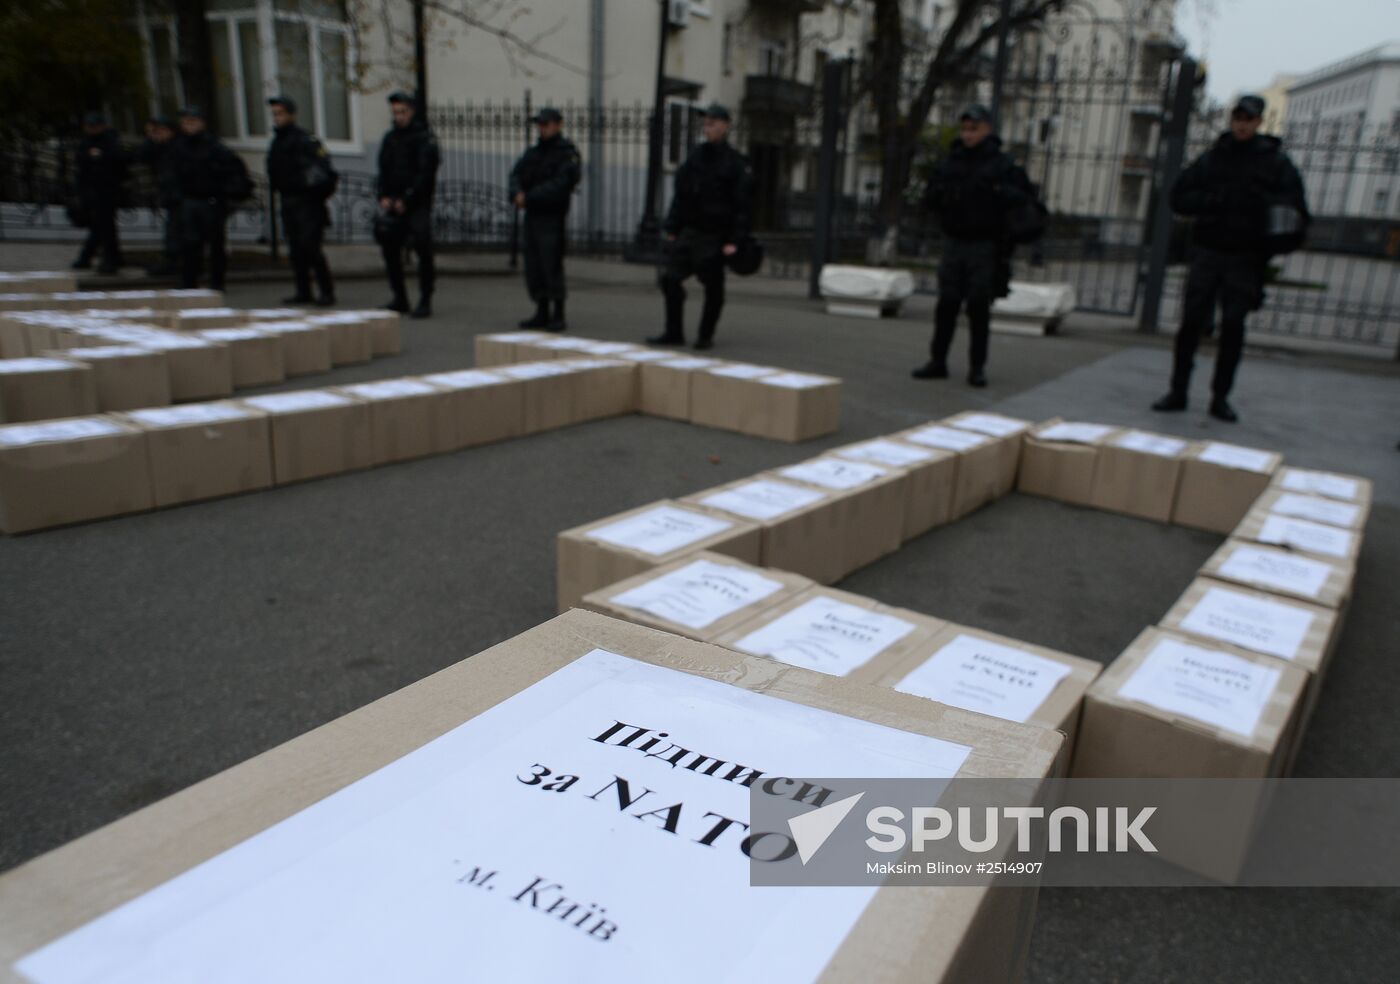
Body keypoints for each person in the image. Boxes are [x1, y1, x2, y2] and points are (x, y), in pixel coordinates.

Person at [1152, 94, 1308, 423]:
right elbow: (1180, 196)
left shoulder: (1274, 163)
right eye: (1237, 118)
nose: (1241, 125)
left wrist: (1265, 216)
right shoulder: (1213, 159)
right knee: (1191, 324)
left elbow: (1293, 209)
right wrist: (1211, 200)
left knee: (1233, 327)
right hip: (1209, 251)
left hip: (1245, 257)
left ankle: (1220, 397)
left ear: (1258, 122)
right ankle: (1178, 391)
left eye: (1248, 119)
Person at [912, 104, 1033, 388]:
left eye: (974, 129)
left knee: (978, 307)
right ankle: (937, 360)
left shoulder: (1002, 165)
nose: (968, 135)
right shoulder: (952, 161)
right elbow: (930, 197)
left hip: (985, 245)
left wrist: (996, 193)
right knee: (947, 303)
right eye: (965, 129)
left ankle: (977, 367)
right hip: (955, 242)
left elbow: (1022, 200)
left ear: (987, 129)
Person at [649, 103, 752, 351]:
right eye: (705, 124)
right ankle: (674, 331)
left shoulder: (734, 162)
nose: (708, 128)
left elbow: (742, 205)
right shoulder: (696, 156)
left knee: (713, 287)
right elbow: (681, 194)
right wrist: (672, 227)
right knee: (670, 279)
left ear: (725, 126)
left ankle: (705, 335)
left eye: (713, 123)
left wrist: (735, 240)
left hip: (715, 234)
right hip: (691, 231)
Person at [509, 107, 581, 331]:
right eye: (540, 125)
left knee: (551, 264)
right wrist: (516, 193)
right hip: (533, 215)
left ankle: (558, 313)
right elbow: (516, 174)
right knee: (534, 265)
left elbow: (561, 185)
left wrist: (529, 197)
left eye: (546, 124)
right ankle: (541, 310)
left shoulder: (566, 153)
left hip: (552, 217)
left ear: (558, 125)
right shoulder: (534, 153)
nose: (542, 129)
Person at [266, 95, 337, 306]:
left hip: (308, 203)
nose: (277, 118)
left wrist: (310, 191)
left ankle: (326, 291)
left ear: (291, 114)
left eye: (280, 113)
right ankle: (303, 290)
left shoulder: (305, 140)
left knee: (311, 248)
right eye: (274, 114)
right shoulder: (278, 142)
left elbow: (323, 172)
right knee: (296, 249)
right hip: (288, 200)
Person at [376, 91, 440, 318]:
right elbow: (383, 170)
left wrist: (408, 199)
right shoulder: (391, 138)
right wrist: (383, 196)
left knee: (423, 250)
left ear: (411, 112)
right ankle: (399, 297)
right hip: (393, 203)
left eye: (402, 112)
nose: (398, 116)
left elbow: (425, 174)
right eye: (395, 112)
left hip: (417, 204)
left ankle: (425, 298)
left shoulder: (424, 138)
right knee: (390, 250)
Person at [171, 106, 246, 290]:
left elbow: (233, 171)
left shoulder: (214, 147)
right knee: (189, 243)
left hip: (211, 201)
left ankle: (216, 282)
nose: (188, 126)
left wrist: (226, 193)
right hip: (189, 200)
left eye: (192, 122)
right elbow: (172, 174)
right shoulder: (178, 146)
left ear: (201, 123)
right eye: (185, 122)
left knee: (215, 245)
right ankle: (189, 281)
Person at [72, 112, 127, 275]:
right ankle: (104, 257)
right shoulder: (86, 143)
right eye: (89, 126)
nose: (91, 129)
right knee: (101, 225)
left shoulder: (109, 141)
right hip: (92, 190)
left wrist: (99, 157)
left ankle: (102, 258)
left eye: (94, 126)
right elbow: (82, 164)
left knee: (103, 225)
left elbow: (116, 162)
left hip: (107, 190)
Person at [138, 115, 181, 276]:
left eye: (162, 131)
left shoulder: (177, 147)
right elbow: (142, 156)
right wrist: (151, 138)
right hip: (171, 196)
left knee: (176, 232)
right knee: (173, 231)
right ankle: (173, 262)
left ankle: (175, 262)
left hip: (180, 196)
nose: (159, 134)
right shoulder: (160, 147)